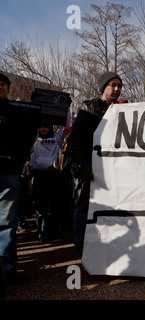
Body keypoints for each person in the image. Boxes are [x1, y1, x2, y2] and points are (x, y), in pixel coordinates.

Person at [70, 71, 123, 250]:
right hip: (89, 168)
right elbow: (75, 139)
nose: (116, 89)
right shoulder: (88, 108)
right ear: (103, 88)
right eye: (112, 85)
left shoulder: (124, 109)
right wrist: (83, 165)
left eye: (119, 86)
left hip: (112, 170)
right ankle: (81, 245)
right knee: (84, 207)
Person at [0, 73, 39, 285]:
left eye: (3, 84)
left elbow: (28, 136)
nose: (0, 88)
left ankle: (7, 268)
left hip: (7, 173)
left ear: (8, 88)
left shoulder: (17, 113)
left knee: (7, 223)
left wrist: (18, 157)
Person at [29, 123, 68, 242]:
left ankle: (54, 231)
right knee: (41, 207)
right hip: (39, 175)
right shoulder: (35, 138)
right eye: (41, 126)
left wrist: (66, 108)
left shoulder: (56, 138)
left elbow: (64, 126)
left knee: (56, 206)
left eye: (46, 127)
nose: (43, 129)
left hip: (54, 175)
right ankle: (42, 233)